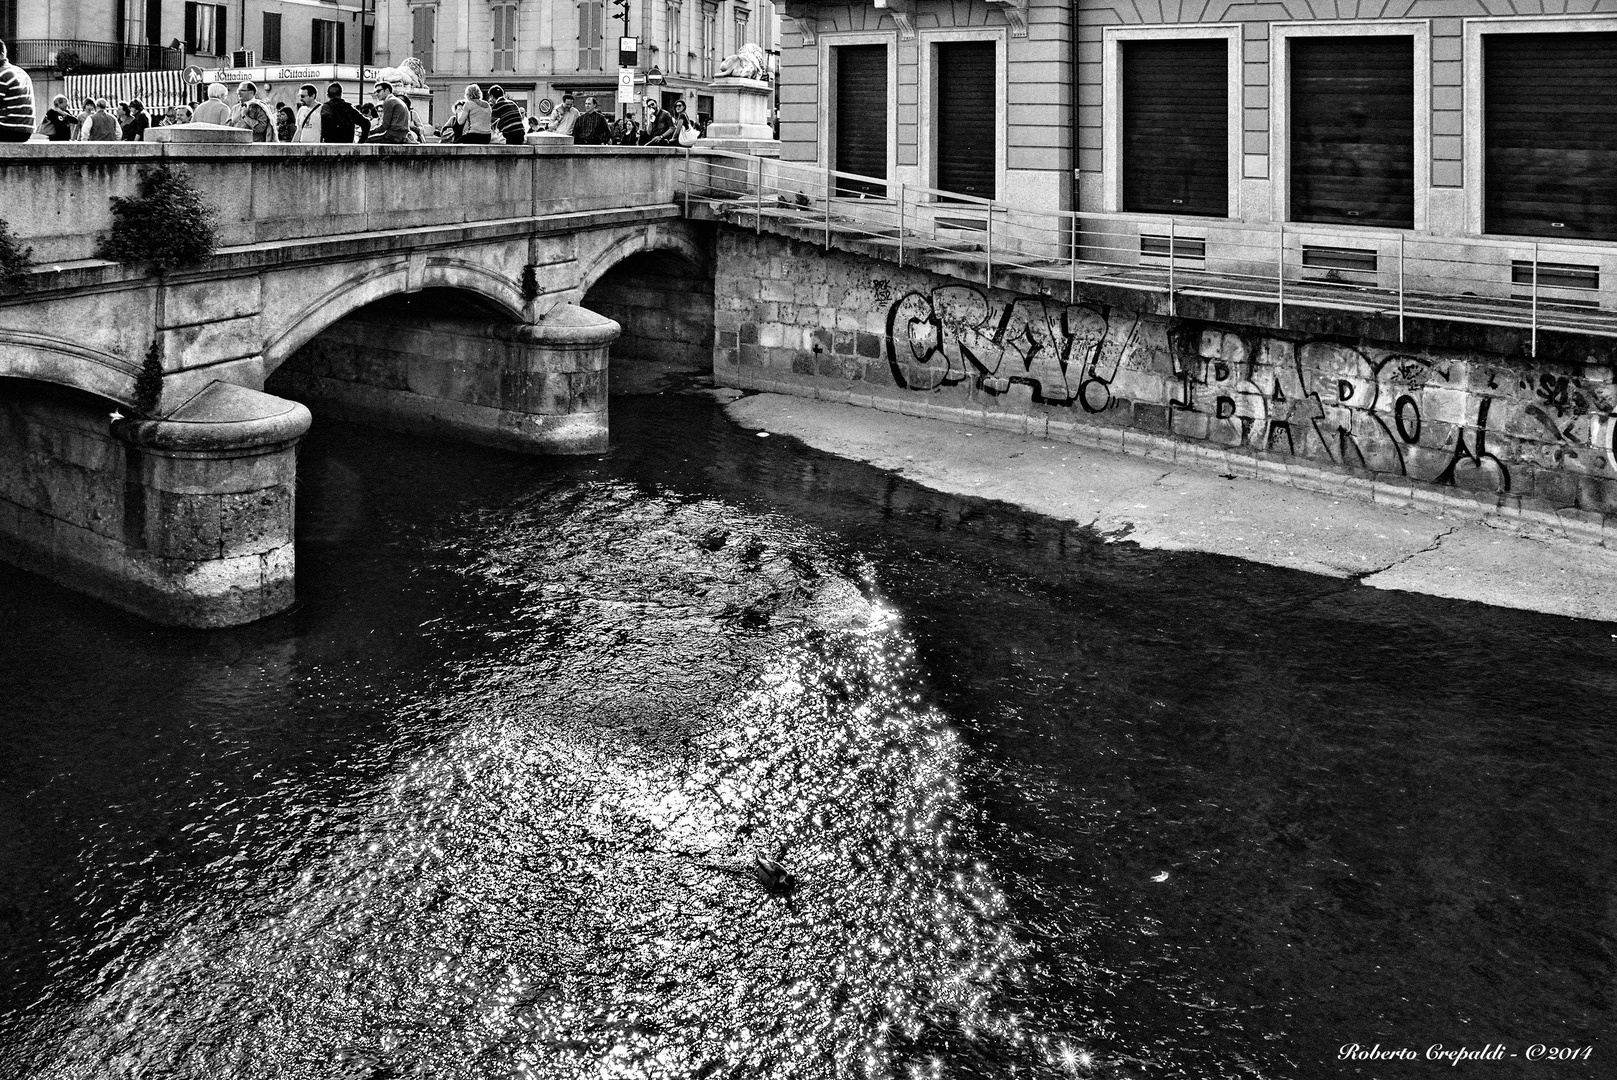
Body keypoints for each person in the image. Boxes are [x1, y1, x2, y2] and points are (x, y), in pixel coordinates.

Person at [0, 39, 34, 143]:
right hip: (25, 131)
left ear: (1, 55)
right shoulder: (19, 71)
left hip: (7, 129)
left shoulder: (3, 74)